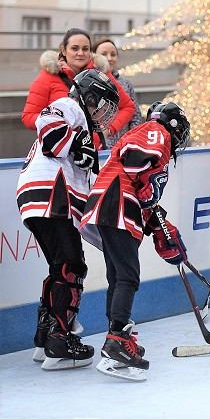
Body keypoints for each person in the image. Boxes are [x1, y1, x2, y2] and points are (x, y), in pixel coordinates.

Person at [16, 69, 119, 370]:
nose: (104, 113)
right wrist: (77, 144)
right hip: (50, 193)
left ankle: (45, 339)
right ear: (89, 97)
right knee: (71, 266)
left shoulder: (80, 123)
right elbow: (46, 126)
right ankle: (60, 342)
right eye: (102, 105)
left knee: (60, 265)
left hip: (43, 198)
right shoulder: (69, 106)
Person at [80, 102, 190, 381]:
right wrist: (149, 187)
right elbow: (138, 161)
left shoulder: (146, 133)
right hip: (116, 202)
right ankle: (116, 340)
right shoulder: (156, 130)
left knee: (118, 277)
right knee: (128, 276)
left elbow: (144, 192)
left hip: (108, 203)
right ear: (174, 126)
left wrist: (159, 225)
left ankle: (116, 336)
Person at [22, 28, 135, 148]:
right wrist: (56, 120)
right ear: (64, 50)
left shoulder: (101, 74)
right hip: (58, 152)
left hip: (91, 152)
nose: (80, 53)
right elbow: (28, 117)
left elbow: (128, 106)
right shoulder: (48, 76)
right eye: (74, 48)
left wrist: (108, 129)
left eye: (85, 49)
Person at [93, 38, 143, 148]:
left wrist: (131, 140)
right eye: (104, 54)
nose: (109, 58)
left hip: (124, 149)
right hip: (98, 149)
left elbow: (136, 116)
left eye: (113, 54)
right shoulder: (88, 82)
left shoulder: (125, 84)